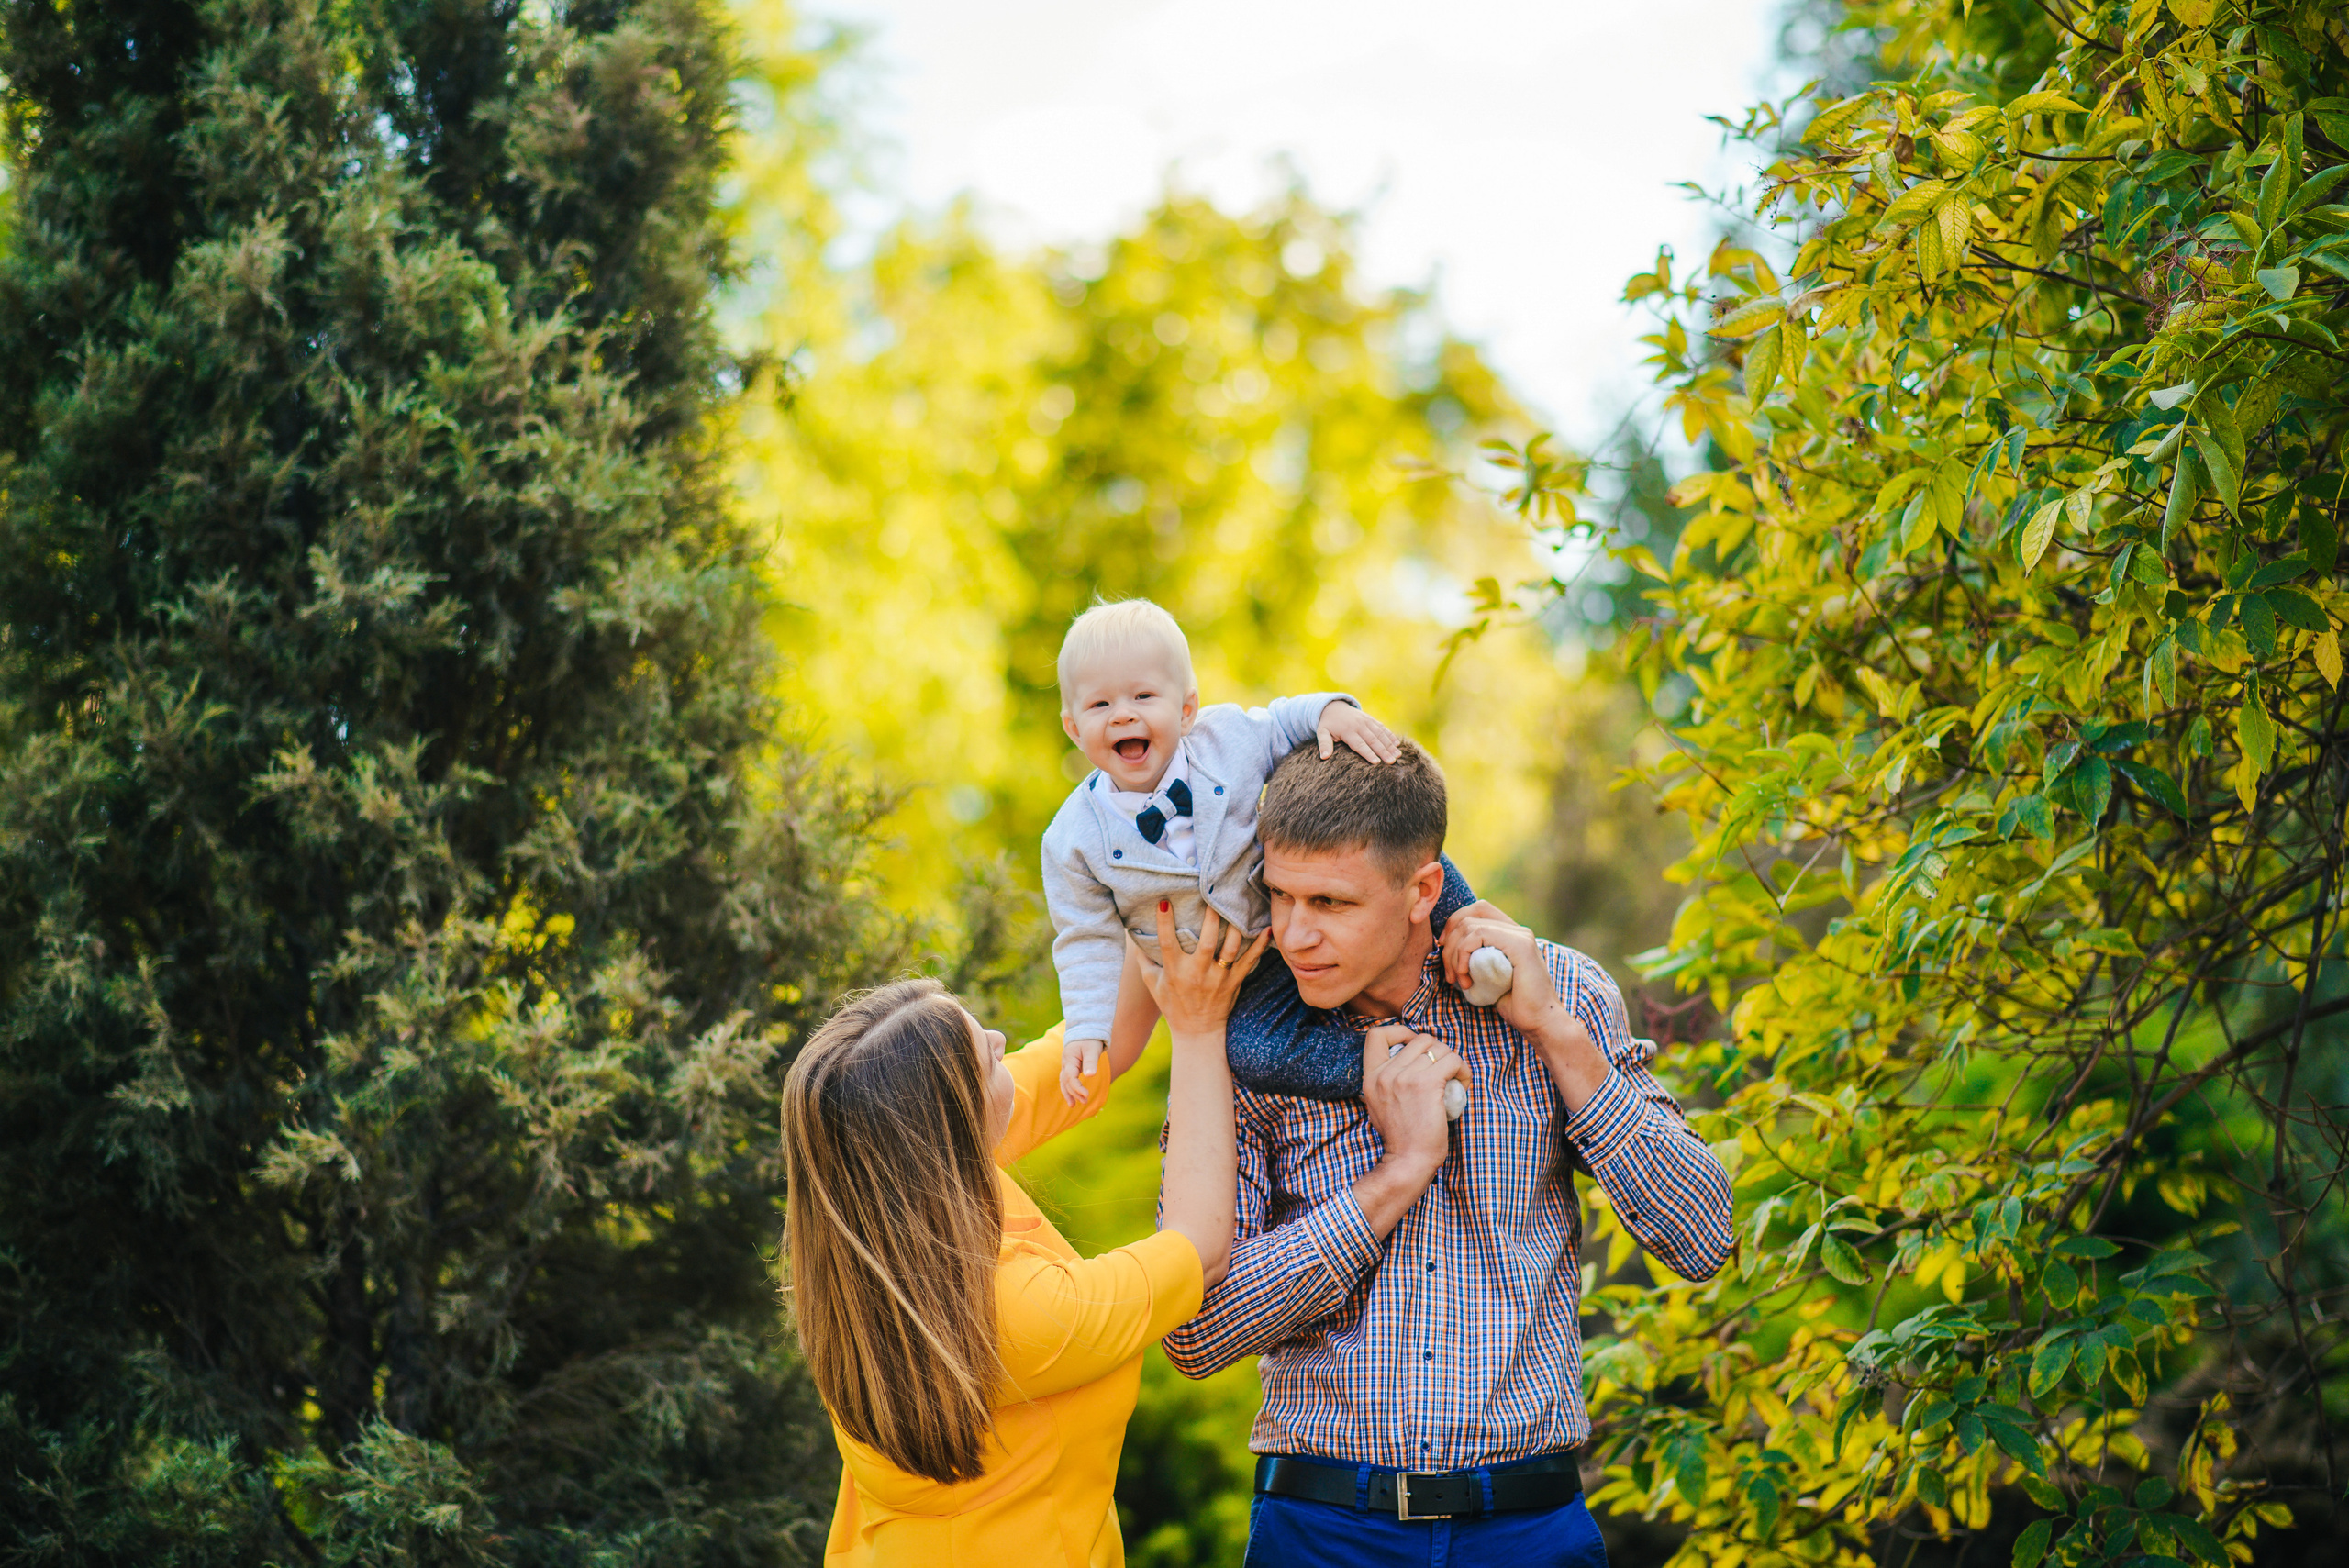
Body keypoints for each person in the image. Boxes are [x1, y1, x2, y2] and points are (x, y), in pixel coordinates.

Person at [1161, 740, 1737, 1567]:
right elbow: (1195, 1330)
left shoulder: (1561, 992)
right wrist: (1397, 1175)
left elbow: (1704, 1235)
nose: (1292, 934)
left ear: (1422, 888)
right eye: (1278, 895)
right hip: (1321, 1531)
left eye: (1329, 901)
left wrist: (1554, 1034)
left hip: (1529, 1529)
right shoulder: (1238, 1041)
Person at [781, 902, 1266, 1566]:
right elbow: (1202, 1243)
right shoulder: (1019, 1311)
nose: (1004, 1042)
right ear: (952, 1125)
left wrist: (1157, 893)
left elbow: (1100, 1046)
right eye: (986, 1054)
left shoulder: (889, 1220)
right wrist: (1199, 1028)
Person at [1042, 596, 1477, 1104]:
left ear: (1186, 710)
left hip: (1284, 907)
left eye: (1142, 697)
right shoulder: (1071, 840)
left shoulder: (1224, 740)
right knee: (1251, 1052)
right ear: (1074, 727)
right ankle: (1378, 1065)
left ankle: (1479, 938)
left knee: (1396, 850)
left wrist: (1330, 709)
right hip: (1240, 974)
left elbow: (1280, 722)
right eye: (1099, 705)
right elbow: (1086, 937)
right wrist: (1087, 1029)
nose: (1121, 716)